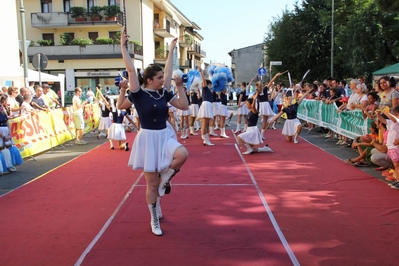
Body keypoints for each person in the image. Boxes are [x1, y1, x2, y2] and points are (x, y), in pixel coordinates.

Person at [117, 31, 189, 236]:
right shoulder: (138, 93)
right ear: (149, 80)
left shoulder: (163, 92)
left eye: (161, 78)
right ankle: (154, 217)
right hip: (148, 138)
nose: (161, 80)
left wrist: (178, 84)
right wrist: (123, 47)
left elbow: (183, 106)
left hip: (165, 134)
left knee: (182, 154)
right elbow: (131, 70)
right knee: (151, 184)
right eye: (158, 78)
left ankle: (167, 177)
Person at [197, 66, 215, 145]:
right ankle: (205, 139)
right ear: (208, 84)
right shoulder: (205, 87)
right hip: (206, 105)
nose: (211, 86)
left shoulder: (208, 90)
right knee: (204, 123)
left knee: (207, 123)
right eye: (210, 84)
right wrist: (201, 72)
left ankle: (206, 138)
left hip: (208, 105)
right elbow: (203, 80)